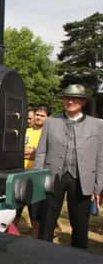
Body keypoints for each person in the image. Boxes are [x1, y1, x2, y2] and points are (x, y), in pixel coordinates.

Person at [35, 84, 103, 249]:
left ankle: (79, 257)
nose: (70, 101)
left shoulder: (98, 124)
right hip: (53, 176)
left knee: (80, 223)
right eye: (67, 98)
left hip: (82, 178)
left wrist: (98, 186)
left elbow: (101, 156)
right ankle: (43, 252)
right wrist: (39, 176)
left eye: (75, 98)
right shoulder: (51, 122)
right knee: (47, 219)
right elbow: (41, 152)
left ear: (83, 102)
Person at [20, 106, 49, 237]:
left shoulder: (48, 134)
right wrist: (32, 152)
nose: (38, 117)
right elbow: (18, 151)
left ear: (48, 118)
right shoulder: (25, 131)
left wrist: (34, 153)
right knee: (15, 209)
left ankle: (35, 242)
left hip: (37, 177)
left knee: (35, 213)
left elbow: (44, 154)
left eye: (42, 115)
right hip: (21, 174)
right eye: (37, 114)